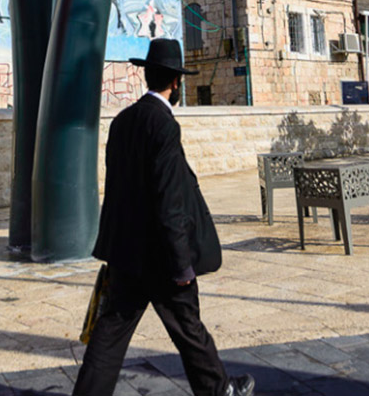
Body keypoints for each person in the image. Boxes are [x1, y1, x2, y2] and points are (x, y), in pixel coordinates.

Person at [74, 38, 255, 396]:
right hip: (160, 257)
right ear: (176, 82)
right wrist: (181, 264)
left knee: (109, 335)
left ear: (148, 76)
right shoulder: (164, 126)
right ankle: (219, 391)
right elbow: (169, 200)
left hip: (126, 253)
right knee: (188, 328)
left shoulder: (122, 122)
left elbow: (120, 189)